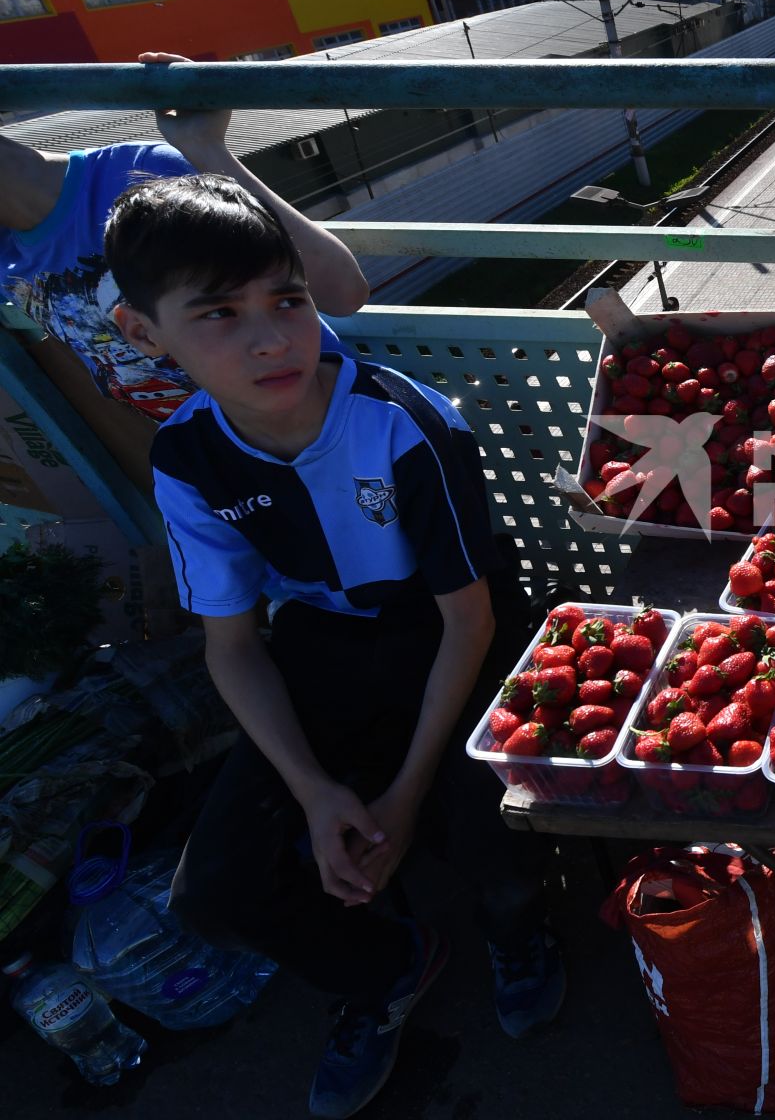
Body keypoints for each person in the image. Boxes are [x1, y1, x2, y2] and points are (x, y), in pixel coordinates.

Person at [100, 174, 559, 1119]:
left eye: (288, 300)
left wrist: (399, 794)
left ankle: (519, 926)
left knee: (491, 825)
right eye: (219, 313)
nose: (270, 337)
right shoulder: (186, 457)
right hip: (324, 644)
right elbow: (234, 648)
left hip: (454, 633)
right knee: (214, 892)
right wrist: (313, 792)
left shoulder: (409, 427)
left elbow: (467, 621)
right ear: (145, 334)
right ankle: (387, 967)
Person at [1, 51, 367, 483]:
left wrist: (207, 148)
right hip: (219, 468)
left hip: (332, 434)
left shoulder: (140, 175)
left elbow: (342, 292)